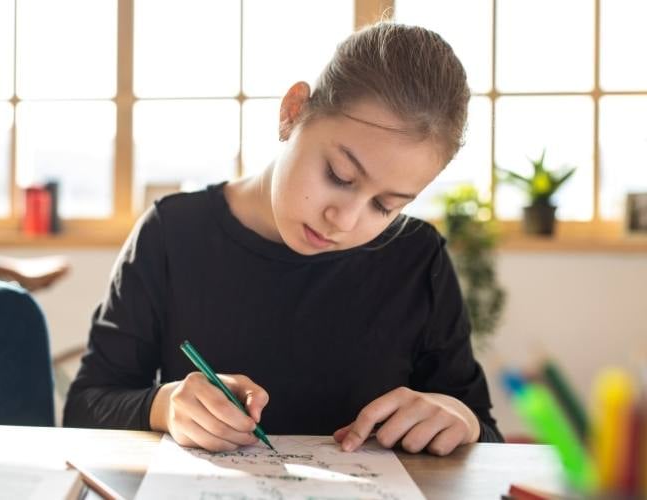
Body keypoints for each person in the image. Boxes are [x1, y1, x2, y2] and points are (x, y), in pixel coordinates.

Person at [63, 22, 504, 456]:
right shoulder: (172, 234)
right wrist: (163, 405)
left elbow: (486, 434)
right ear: (293, 112)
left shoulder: (417, 257)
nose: (345, 220)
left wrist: (458, 418)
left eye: (385, 206)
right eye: (339, 175)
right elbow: (86, 407)